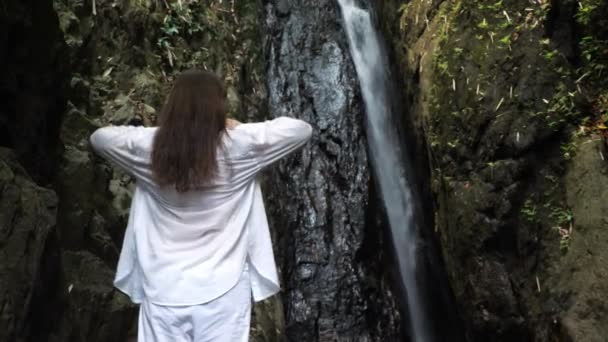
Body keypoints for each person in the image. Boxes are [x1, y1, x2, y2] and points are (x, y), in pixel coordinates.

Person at [89, 70, 313, 342]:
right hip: (223, 289)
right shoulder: (238, 147)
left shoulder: (150, 150)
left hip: (164, 287)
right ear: (217, 108)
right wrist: (234, 125)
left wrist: (171, 131)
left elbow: (100, 138)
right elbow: (300, 130)